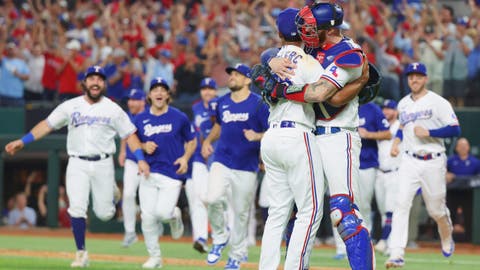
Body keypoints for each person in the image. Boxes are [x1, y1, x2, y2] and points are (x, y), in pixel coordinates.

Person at [261, 3, 375, 269]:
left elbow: (328, 98)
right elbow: (274, 50)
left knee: (343, 212)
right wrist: (270, 60)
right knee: (294, 212)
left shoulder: (349, 53)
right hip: (307, 135)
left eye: (311, 27)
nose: (305, 31)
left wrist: (280, 90)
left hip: (337, 135)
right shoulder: (311, 49)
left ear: (328, 29)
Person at [4, 65, 150, 268]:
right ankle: (81, 252)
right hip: (77, 162)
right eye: (92, 78)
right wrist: (23, 140)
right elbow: (47, 124)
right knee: (77, 208)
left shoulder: (113, 108)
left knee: (104, 214)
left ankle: (113, 193)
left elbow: (130, 135)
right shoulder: (70, 106)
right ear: (85, 83)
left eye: (99, 79)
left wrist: (141, 158)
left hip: (103, 163)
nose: (96, 82)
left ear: (104, 84)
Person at [257, 8, 325, 270]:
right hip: (297, 134)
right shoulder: (309, 63)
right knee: (310, 210)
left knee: (277, 213)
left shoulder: (271, 59)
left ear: (278, 33)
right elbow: (327, 93)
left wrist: (268, 61)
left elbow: (265, 60)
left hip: (272, 135)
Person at [386, 62, 461, 268]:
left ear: (425, 78)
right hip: (409, 160)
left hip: (434, 160)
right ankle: (396, 253)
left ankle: (446, 236)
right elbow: (402, 126)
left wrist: (430, 133)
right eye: (411, 76)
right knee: (400, 204)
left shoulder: (438, 102)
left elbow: (455, 130)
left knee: (436, 210)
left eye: (418, 76)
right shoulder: (403, 104)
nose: (414, 79)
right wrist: (396, 141)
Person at [201, 63, 269, 270]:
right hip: (222, 160)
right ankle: (220, 237)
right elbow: (219, 126)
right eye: (230, 74)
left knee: (240, 213)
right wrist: (207, 141)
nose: (231, 77)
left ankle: (236, 256)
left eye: (237, 75)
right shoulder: (222, 102)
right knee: (211, 198)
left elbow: (274, 131)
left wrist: (257, 136)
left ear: (248, 80)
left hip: (247, 166)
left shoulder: (259, 104)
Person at [133, 77, 197, 269]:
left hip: (171, 173)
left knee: (161, 213)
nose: (159, 93)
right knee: (147, 217)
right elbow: (132, 142)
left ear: (168, 95)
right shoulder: (140, 118)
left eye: (163, 90)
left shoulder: (179, 117)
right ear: (149, 96)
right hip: (148, 173)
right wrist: (143, 147)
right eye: (155, 90)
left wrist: (185, 158)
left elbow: (192, 140)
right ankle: (155, 257)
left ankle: (174, 215)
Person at [186, 77, 218, 254]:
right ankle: (201, 238)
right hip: (199, 157)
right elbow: (192, 134)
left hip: (218, 158)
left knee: (215, 198)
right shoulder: (195, 108)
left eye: (210, 88)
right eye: (204, 88)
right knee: (199, 198)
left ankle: (225, 233)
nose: (207, 92)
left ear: (215, 91)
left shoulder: (221, 105)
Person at [118, 88, 147, 248]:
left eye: (135, 99)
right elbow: (125, 135)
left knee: (146, 197)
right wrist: (122, 151)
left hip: (148, 162)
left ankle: (152, 229)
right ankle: (130, 232)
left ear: (143, 101)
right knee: (128, 194)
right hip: (131, 160)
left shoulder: (149, 115)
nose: (131, 102)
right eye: (130, 99)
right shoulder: (127, 116)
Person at [374, 99, 402, 255]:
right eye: (384, 108)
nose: (386, 111)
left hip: (395, 172)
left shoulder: (400, 126)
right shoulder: (381, 126)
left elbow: (389, 135)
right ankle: (390, 245)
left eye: (389, 109)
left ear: (396, 111)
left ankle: (385, 241)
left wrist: (367, 133)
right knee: (383, 210)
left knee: (392, 209)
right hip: (380, 172)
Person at [446, 137, 480, 242]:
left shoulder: (475, 162)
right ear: (456, 148)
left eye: (465, 146)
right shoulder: (451, 160)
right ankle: (447, 240)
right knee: (449, 215)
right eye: (460, 146)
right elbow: (443, 172)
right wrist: (446, 174)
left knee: (470, 216)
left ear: (468, 147)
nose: (463, 148)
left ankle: (470, 240)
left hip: (469, 194)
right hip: (453, 192)